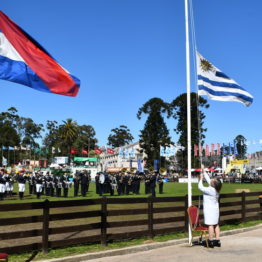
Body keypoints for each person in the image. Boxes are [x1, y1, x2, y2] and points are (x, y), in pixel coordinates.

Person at [198, 166, 222, 248]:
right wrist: (204, 170)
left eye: (213, 180)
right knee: (216, 224)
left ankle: (211, 241)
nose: (211, 179)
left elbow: (200, 187)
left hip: (209, 210)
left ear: (213, 184)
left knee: (210, 225)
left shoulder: (210, 190)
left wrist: (200, 179)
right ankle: (218, 241)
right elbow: (209, 180)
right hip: (215, 210)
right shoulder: (215, 189)